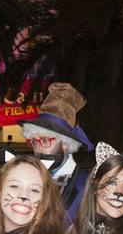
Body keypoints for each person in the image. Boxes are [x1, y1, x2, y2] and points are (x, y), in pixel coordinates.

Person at [19, 82, 92, 217]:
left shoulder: (87, 186)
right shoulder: (28, 178)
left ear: (65, 143)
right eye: (34, 141)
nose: (38, 149)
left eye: (45, 141)